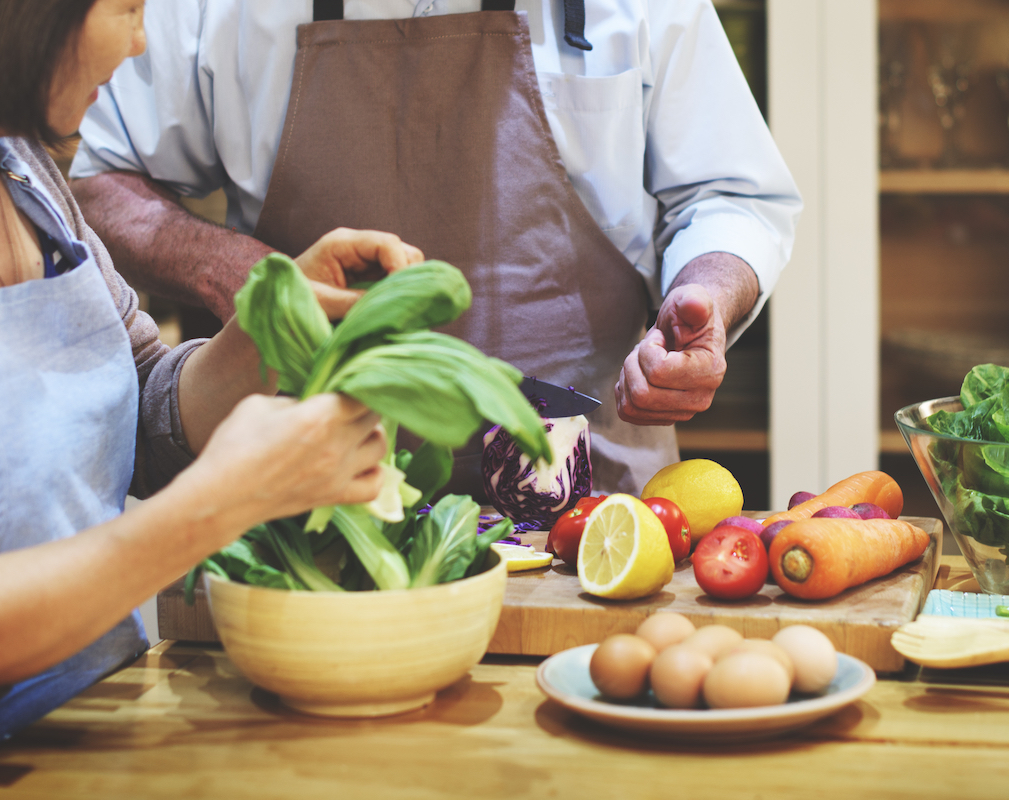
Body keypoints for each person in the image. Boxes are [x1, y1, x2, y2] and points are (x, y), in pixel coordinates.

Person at [0, 1, 423, 796]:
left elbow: (138, 405)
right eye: (127, 8)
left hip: (99, 730)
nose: (140, 41)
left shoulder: (16, 166)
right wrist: (223, 502)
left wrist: (268, 324)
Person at [69, 0, 802, 497]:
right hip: (311, 501)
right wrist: (237, 274)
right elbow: (91, 174)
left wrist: (704, 292)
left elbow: (726, 195)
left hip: (588, 516)